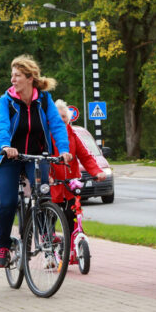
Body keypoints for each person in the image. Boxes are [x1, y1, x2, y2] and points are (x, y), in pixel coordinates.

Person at [0, 55, 71, 268]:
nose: (13, 80)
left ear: (29, 78)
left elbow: (57, 125)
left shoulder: (44, 100)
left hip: (36, 156)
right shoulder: (5, 101)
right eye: (12, 75)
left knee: (43, 195)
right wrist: (6, 146)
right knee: (8, 202)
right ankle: (4, 246)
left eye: (17, 75)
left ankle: (46, 239)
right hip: (8, 157)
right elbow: (1, 126)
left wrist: (63, 150)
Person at [49, 100, 105, 235]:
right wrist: (47, 176)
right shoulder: (46, 135)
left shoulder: (73, 135)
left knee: (72, 218)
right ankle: (49, 242)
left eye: (64, 117)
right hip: (53, 185)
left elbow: (86, 156)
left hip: (70, 185)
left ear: (68, 119)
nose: (61, 119)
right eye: (58, 116)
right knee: (49, 218)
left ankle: (72, 250)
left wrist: (97, 171)